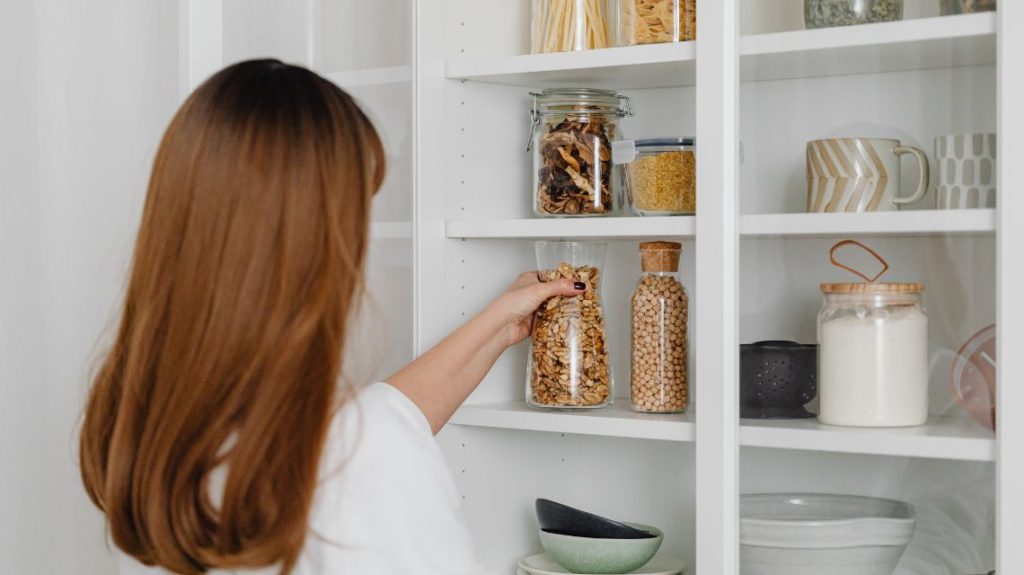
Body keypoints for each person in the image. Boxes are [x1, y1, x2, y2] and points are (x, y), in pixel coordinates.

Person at [79, 59, 585, 574]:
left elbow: (374, 421)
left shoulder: (147, 424)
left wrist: (499, 325)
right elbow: (362, 442)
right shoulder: (364, 455)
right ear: (314, 239)